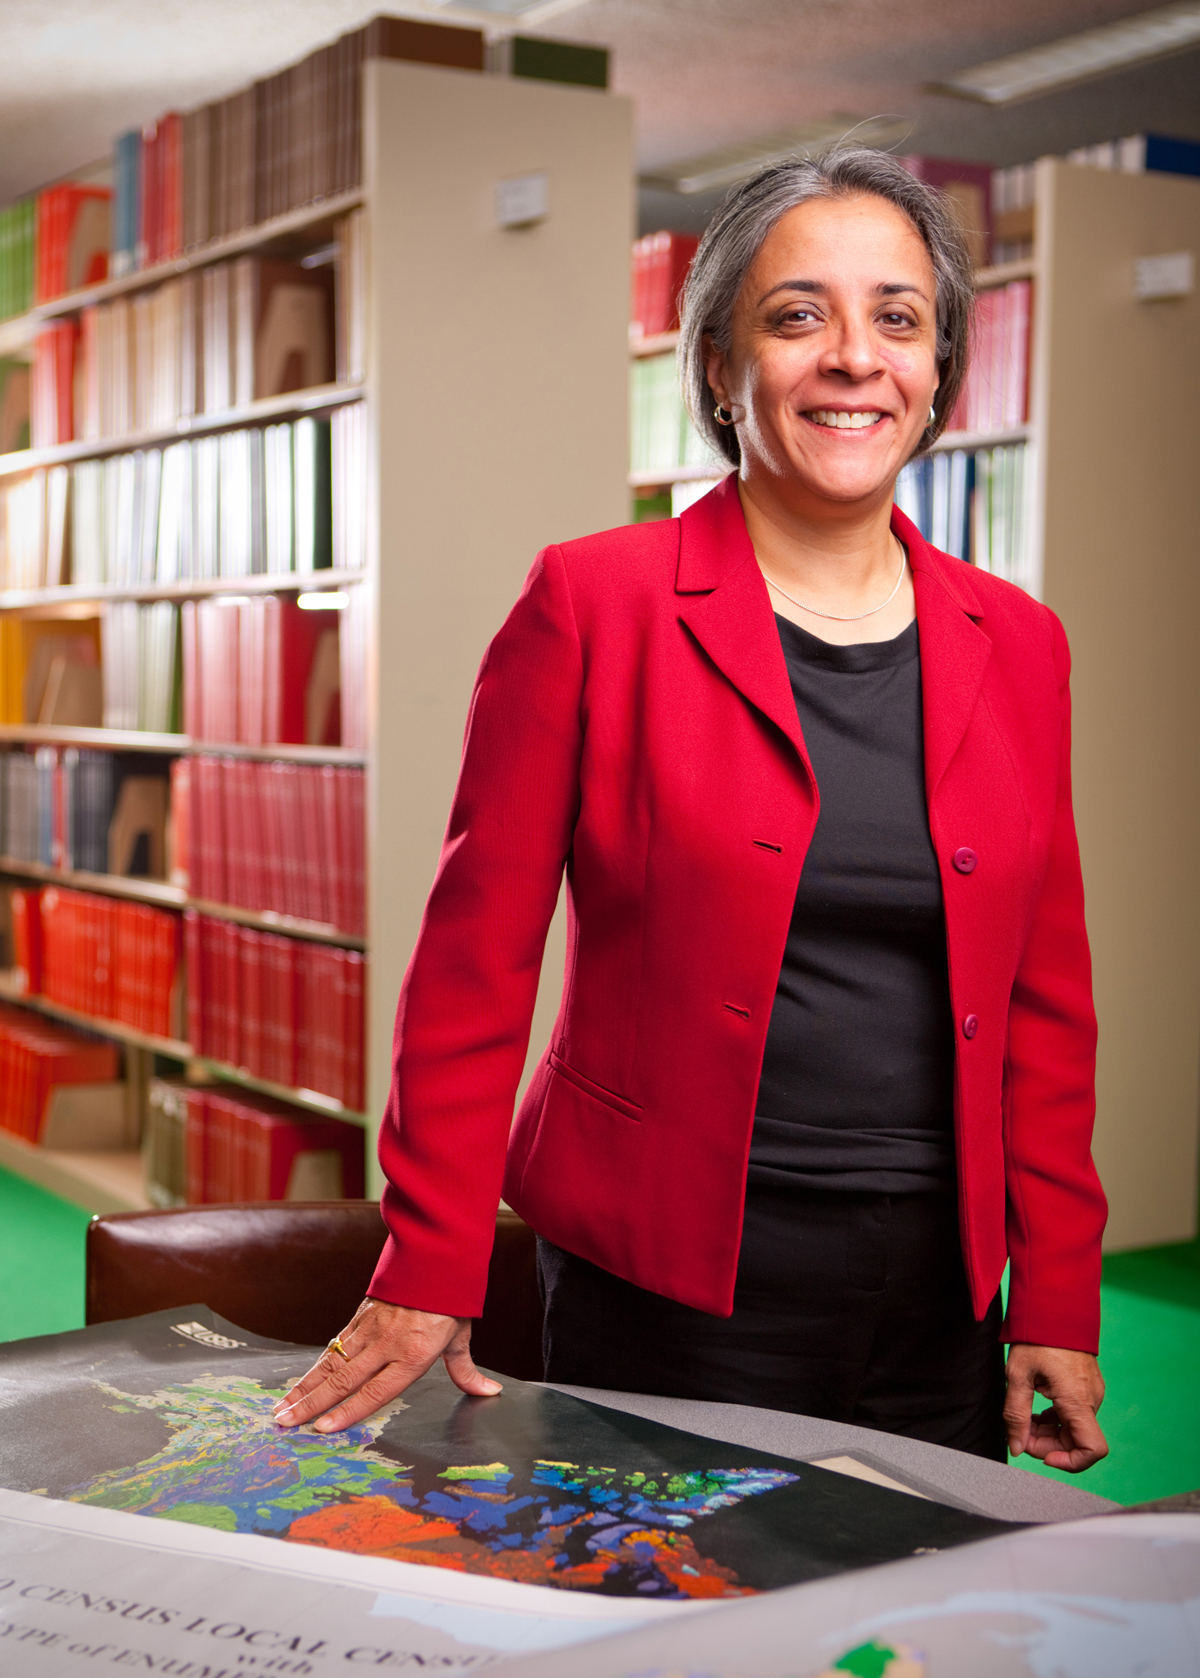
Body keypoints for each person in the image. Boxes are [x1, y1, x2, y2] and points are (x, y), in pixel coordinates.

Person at [276, 148, 1108, 1473]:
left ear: (940, 367)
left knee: (916, 1606)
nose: (854, 356)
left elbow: (1047, 998)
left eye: (898, 318)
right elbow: (475, 965)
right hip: (664, 1283)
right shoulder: (592, 603)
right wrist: (431, 1256)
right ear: (720, 364)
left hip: (939, 1296)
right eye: (798, 315)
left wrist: (1055, 1288)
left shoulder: (1020, 642)